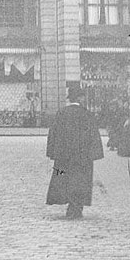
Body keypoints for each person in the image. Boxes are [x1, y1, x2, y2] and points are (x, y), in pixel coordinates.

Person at [45, 86, 104, 219]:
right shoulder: (86, 114)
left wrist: (53, 152)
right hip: (82, 157)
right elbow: (93, 135)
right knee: (81, 181)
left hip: (64, 156)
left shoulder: (61, 113)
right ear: (80, 98)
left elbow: (53, 133)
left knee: (64, 178)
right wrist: (94, 153)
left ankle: (70, 205)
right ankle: (76, 208)